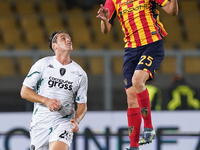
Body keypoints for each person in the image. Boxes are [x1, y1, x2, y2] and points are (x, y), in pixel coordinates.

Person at [97, 0, 178, 150]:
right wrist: (103, 20)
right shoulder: (112, 1)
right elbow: (106, 29)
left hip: (152, 44)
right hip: (130, 50)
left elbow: (172, 10)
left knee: (137, 80)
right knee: (131, 98)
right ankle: (134, 146)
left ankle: (148, 127)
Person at [20, 31, 88, 150]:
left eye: (69, 38)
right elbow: (24, 92)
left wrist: (76, 120)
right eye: (63, 38)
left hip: (64, 122)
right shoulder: (43, 64)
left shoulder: (80, 74)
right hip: (40, 122)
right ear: (54, 45)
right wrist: (45, 100)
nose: (68, 40)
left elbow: (82, 104)